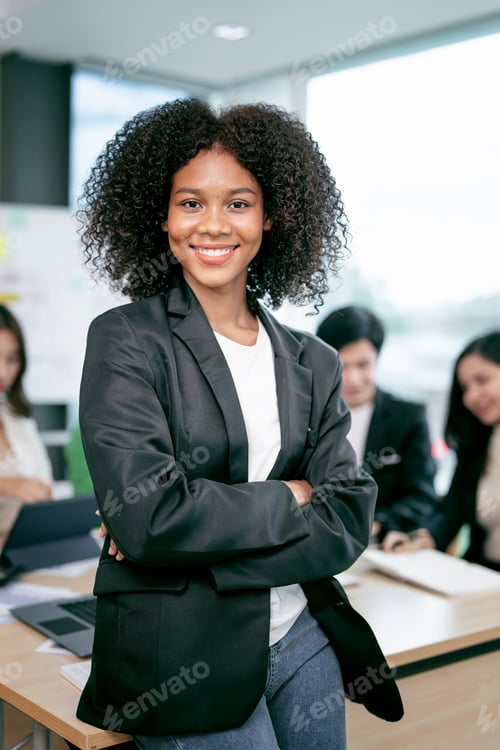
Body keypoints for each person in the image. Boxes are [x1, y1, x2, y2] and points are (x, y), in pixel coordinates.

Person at [74, 98, 402, 749]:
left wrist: (192, 552)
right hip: (182, 657)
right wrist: (290, 494)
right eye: (191, 202)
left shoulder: (314, 361)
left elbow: (348, 517)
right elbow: (151, 518)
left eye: (239, 202)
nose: (213, 224)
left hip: (304, 634)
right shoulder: (126, 341)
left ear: (271, 214)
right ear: (161, 217)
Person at [316, 305, 438, 551]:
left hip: (380, 547)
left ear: (378, 359)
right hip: (319, 543)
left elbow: (421, 494)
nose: (353, 378)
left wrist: (379, 523)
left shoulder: (408, 416)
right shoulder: (308, 416)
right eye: (342, 365)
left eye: (363, 365)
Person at [391, 331, 500, 571]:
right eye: (465, 388)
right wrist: (420, 539)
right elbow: (451, 511)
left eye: (482, 380)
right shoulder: (478, 443)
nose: (471, 397)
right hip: (484, 577)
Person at [0, 304, 53, 543]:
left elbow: (44, 488)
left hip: (23, 551)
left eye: (12, 359)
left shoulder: (18, 418)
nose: (3, 373)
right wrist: (6, 485)